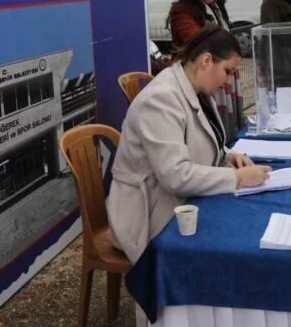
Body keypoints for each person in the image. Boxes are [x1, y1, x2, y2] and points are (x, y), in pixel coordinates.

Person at [107, 25, 271, 265]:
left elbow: (200, 137)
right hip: (148, 215)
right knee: (229, 244)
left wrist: (228, 155)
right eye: (227, 71)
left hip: (175, 200)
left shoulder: (195, 88)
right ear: (206, 61)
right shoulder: (160, 99)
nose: (228, 81)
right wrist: (238, 178)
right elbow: (175, 176)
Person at [167, 0, 242, 139]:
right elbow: (200, 44)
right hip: (196, 86)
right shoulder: (182, 12)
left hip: (218, 81)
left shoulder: (215, 9)